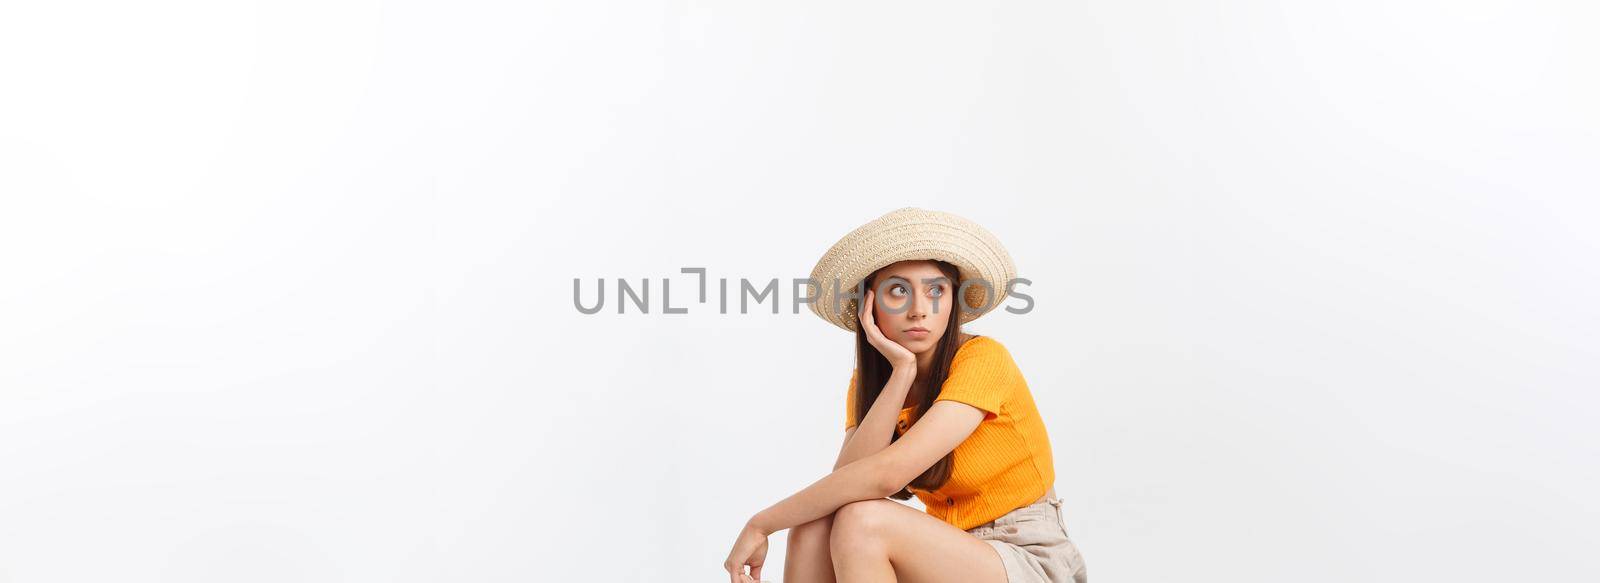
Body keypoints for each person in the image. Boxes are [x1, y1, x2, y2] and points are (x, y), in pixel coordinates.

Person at [723, 207, 1088, 583]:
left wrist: (762, 523)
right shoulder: (870, 383)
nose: (918, 310)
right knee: (812, 526)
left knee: (863, 522)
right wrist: (901, 374)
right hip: (947, 550)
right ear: (869, 305)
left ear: (952, 302)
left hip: (1026, 555)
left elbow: (885, 476)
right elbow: (848, 482)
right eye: (898, 291)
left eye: (935, 290)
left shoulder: (983, 360)